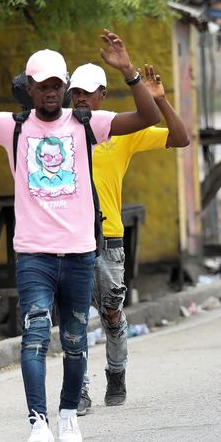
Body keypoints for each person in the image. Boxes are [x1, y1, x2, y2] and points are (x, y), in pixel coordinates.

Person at [0, 22, 160, 442]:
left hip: (79, 252)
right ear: (31, 88)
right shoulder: (11, 126)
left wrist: (129, 71)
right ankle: (38, 421)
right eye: (44, 86)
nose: (52, 92)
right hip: (33, 253)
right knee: (35, 335)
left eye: (59, 85)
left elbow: (149, 117)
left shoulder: (87, 124)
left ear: (66, 87)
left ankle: (67, 416)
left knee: (75, 341)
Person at [68, 62, 190, 415]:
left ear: (102, 95)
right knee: (74, 317)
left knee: (111, 313)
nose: (80, 99)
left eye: (87, 93)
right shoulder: (58, 129)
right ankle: (79, 389)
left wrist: (161, 101)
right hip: (70, 239)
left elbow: (180, 138)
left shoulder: (119, 129)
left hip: (109, 238)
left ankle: (116, 374)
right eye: (74, 92)